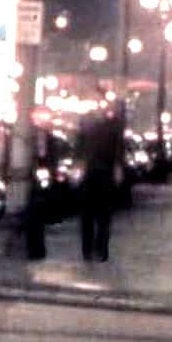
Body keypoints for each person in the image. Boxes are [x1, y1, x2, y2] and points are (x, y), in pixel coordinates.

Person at [75, 103, 124, 262]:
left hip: (93, 175)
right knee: (100, 216)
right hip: (101, 176)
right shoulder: (112, 127)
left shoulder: (87, 128)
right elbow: (118, 151)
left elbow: (78, 152)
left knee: (90, 216)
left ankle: (90, 250)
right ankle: (98, 250)